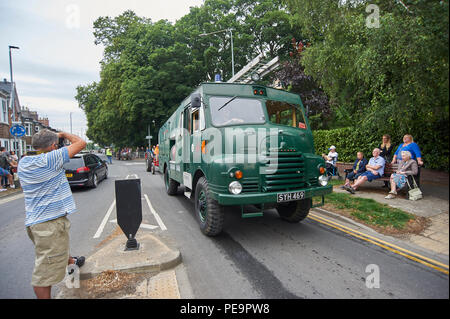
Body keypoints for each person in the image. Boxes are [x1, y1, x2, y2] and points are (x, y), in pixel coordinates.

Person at [18, 129, 87, 299]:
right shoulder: (50, 159)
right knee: (43, 275)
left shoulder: (24, 162)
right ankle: (69, 281)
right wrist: (63, 135)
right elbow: (81, 143)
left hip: (35, 222)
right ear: (53, 146)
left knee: (59, 251)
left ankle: (73, 270)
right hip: (49, 225)